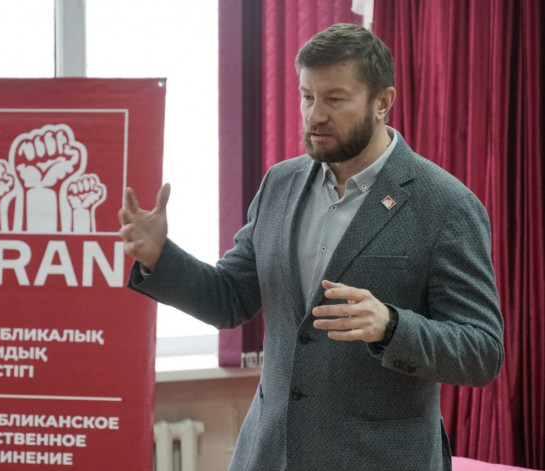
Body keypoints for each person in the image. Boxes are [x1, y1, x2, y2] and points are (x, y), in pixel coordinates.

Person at [118, 23, 503, 471]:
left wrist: (391, 326)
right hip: (270, 455)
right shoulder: (280, 184)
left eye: (334, 99)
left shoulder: (445, 205)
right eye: (307, 97)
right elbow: (229, 299)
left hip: (379, 460)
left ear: (382, 102)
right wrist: (160, 257)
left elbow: (481, 352)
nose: (315, 115)